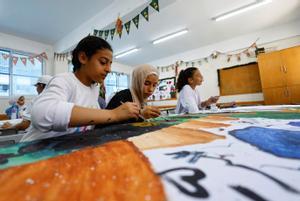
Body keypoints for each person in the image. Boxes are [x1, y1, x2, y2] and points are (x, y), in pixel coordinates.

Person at [21, 36, 139, 142]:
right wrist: (113, 114)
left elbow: (92, 118)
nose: (108, 69)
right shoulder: (64, 80)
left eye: (110, 64)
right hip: (32, 151)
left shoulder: (93, 89)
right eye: (103, 62)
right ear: (83, 58)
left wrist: (130, 113)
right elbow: (41, 114)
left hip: (63, 150)